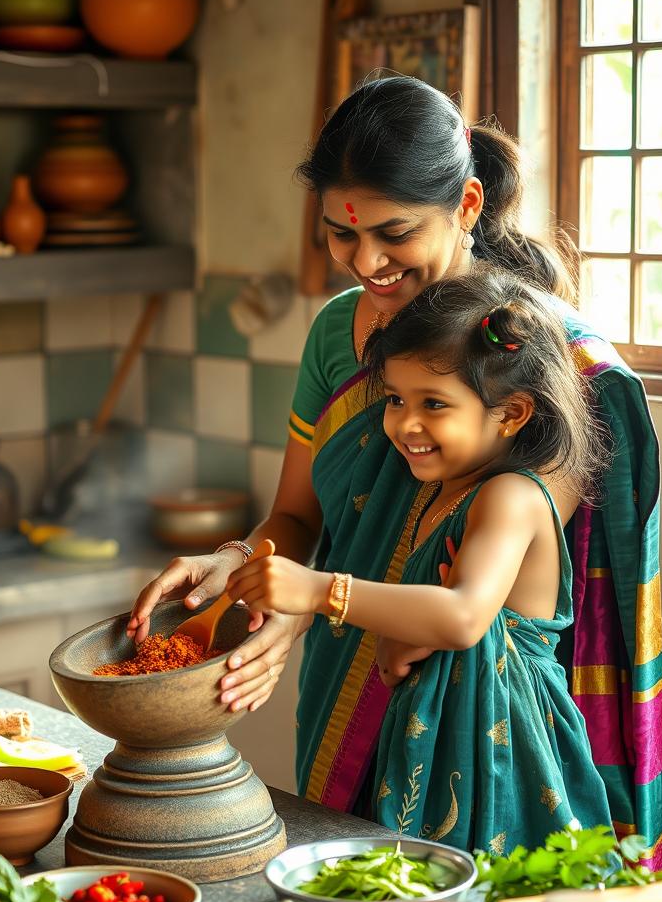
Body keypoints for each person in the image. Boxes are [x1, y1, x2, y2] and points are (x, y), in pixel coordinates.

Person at [129, 75, 662, 862]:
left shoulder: (537, 362)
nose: (366, 262)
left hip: (485, 714)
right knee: (347, 894)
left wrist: (314, 599)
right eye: (342, 236)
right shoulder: (334, 336)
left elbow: (477, 581)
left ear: (469, 206)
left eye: (395, 232)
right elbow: (299, 519)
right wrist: (239, 563)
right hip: (349, 676)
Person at [226, 272, 613, 853]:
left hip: (503, 760)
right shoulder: (438, 492)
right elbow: (439, 618)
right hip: (433, 747)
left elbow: (461, 617)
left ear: (511, 413)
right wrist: (402, 638)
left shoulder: (510, 497)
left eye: (434, 404)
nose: (405, 425)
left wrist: (320, 591)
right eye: (396, 400)